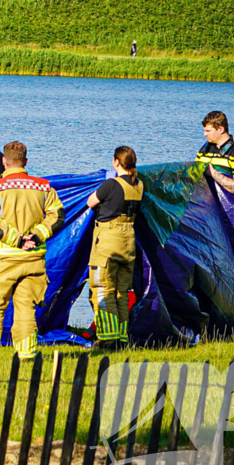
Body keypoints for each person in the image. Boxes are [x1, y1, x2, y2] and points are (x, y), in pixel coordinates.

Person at [0, 141, 65, 361]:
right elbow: (58, 217)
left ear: (4, 162)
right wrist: (36, 236)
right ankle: (27, 355)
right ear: (26, 162)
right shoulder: (44, 188)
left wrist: (15, 239)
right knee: (26, 309)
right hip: (33, 261)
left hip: (4, 260)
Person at [86, 146, 143, 349]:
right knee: (121, 291)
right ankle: (121, 337)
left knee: (102, 290)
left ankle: (108, 340)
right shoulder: (139, 186)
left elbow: (90, 201)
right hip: (128, 244)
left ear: (116, 162)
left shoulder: (110, 185)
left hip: (108, 243)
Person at [195, 111, 234, 197]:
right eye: (204, 131)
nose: (205, 134)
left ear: (220, 129)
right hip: (205, 207)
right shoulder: (204, 150)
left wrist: (213, 173)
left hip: (229, 208)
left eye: (208, 131)